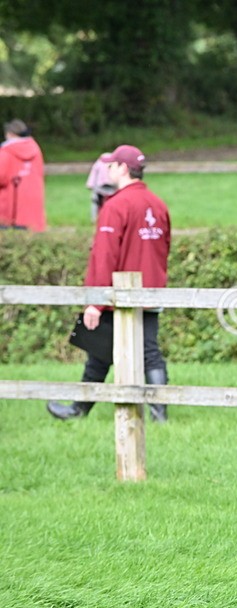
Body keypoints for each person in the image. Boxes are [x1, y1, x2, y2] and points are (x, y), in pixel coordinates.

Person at [47, 145, 172, 423]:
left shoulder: (115, 206)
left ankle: (79, 410)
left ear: (123, 169)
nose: (108, 169)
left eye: (112, 165)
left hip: (118, 295)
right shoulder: (158, 204)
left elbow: (103, 256)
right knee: (140, 351)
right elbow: (164, 248)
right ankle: (158, 414)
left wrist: (95, 301)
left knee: (100, 349)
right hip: (151, 292)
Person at [0, 119, 46, 232]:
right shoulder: (36, 149)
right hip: (33, 200)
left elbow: (2, 177)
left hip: (11, 202)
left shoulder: (6, 152)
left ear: (9, 134)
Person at [86, 152, 117, 221]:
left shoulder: (98, 163)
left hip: (99, 187)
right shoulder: (114, 164)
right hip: (112, 187)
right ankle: (111, 217)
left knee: (95, 203)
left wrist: (90, 184)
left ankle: (94, 218)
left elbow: (93, 175)